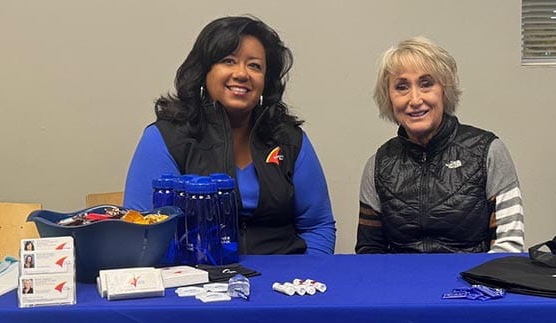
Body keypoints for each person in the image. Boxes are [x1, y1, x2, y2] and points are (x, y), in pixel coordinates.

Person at [123, 16, 335, 255]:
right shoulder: (165, 138)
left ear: (266, 82)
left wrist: (307, 272)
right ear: (204, 72)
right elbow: (143, 233)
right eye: (228, 61)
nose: (242, 74)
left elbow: (318, 226)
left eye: (255, 66)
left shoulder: (290, 139)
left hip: (287, 272)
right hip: (198, 274)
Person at [356, 37, 524, 254]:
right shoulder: (377, 165)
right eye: (402, 87)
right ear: (389, 98)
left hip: (476, 276)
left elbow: (509, 246)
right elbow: (369, 252)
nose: (415, 100)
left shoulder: (489, 152)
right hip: (401, 277)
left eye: (426, 84)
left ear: (445, 90)